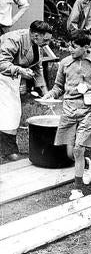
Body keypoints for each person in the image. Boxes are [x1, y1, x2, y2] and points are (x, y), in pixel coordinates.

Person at [43, 30, 91, 200]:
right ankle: (86, 164)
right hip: (69, 110)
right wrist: (50, 95)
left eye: (74, 47)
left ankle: (77, 188)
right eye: (69, 45)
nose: (69, 49)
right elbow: (58, 87)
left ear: (86, 47)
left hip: (89, 110)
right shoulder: (65, 63)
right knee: (70, 154)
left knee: (78, 148)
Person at [0, 20, 52, 160]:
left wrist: (46, 93)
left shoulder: (38, 45)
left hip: (11, 77)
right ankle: (8, 150)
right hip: (3, 75)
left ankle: (7, 149)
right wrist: (20, 70)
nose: (47, 43)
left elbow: (38, 69)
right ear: (36, 36)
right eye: (45, 40)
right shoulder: (14, 39)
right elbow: (1, 63)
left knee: (12, 112)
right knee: (9, 111)